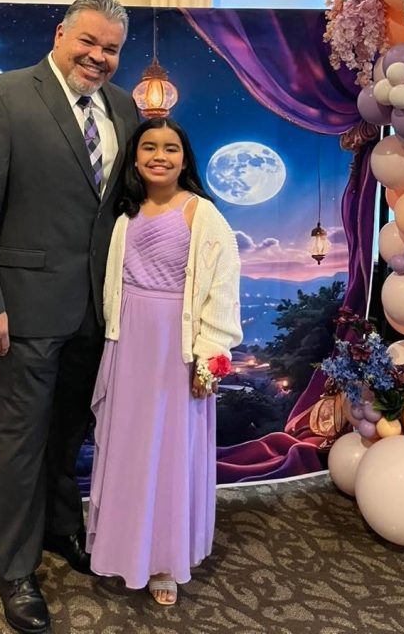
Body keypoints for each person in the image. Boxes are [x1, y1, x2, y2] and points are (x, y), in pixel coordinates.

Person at [0, 0, 140, 634]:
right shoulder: (3, 96)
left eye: (111, 48)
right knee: (21, 441)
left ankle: (60, 530)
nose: (98, 57)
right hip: (24, 310)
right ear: (60, 34)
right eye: (89, 41)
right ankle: (15, 569)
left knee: (69, 434)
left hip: (100, 309)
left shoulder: (123, 107)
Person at [86, 117, 242, 606]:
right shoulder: (123, 212)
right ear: (134, 159)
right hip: (127, 340)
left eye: (170, 148)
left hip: (176, 348)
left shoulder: (203, 213)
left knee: (170, 452)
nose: (159, 156)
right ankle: (122, 549)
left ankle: (163, 563)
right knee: (128, 448)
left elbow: (222, 290)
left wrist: (209, 358)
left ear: (184, 158)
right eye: (149, 147)